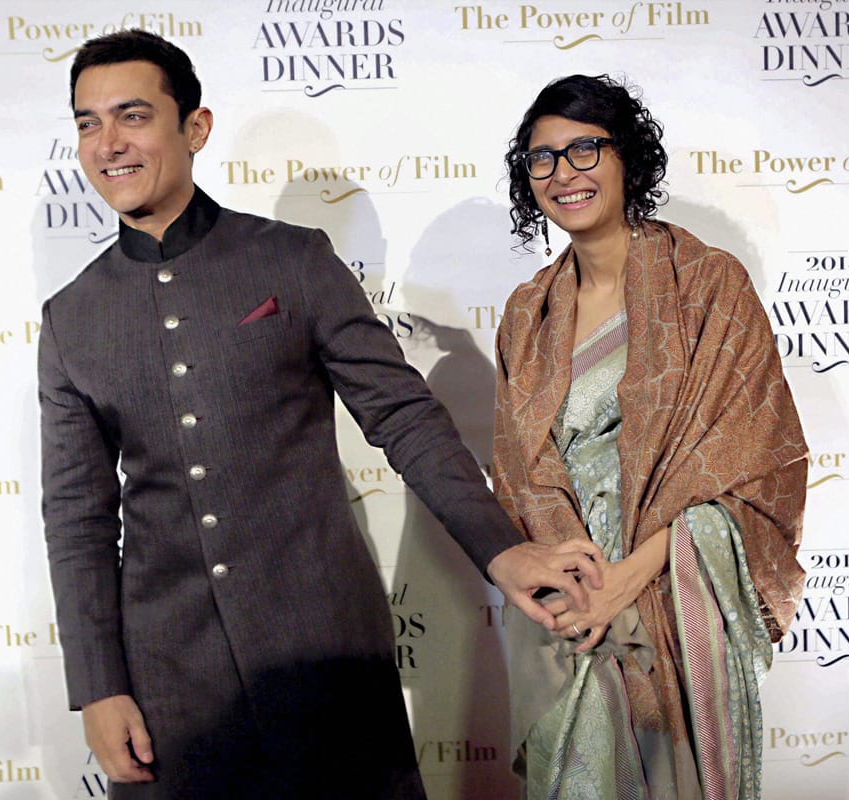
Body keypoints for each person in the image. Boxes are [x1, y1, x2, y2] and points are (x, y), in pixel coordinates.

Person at [38, 31, 603, 800]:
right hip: (172, 684)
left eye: (132, 116)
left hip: (326, 654)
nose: (109, 144)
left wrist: (504, 555)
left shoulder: (293, 261)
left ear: (194, 128)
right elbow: (77, 517)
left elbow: (402, 416)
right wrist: (99, 687)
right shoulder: (71, 318)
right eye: (87, 122)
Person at [493, 74, 808, 799]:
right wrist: (580, 594)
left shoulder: (708, 288)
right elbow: (517, 473)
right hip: (563, 617)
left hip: (670, 598)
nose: (563, 174)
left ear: (626, 156)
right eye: (541, 159)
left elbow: (755, 469)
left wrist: (625, 585)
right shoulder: (526, 314)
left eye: (583, 149)